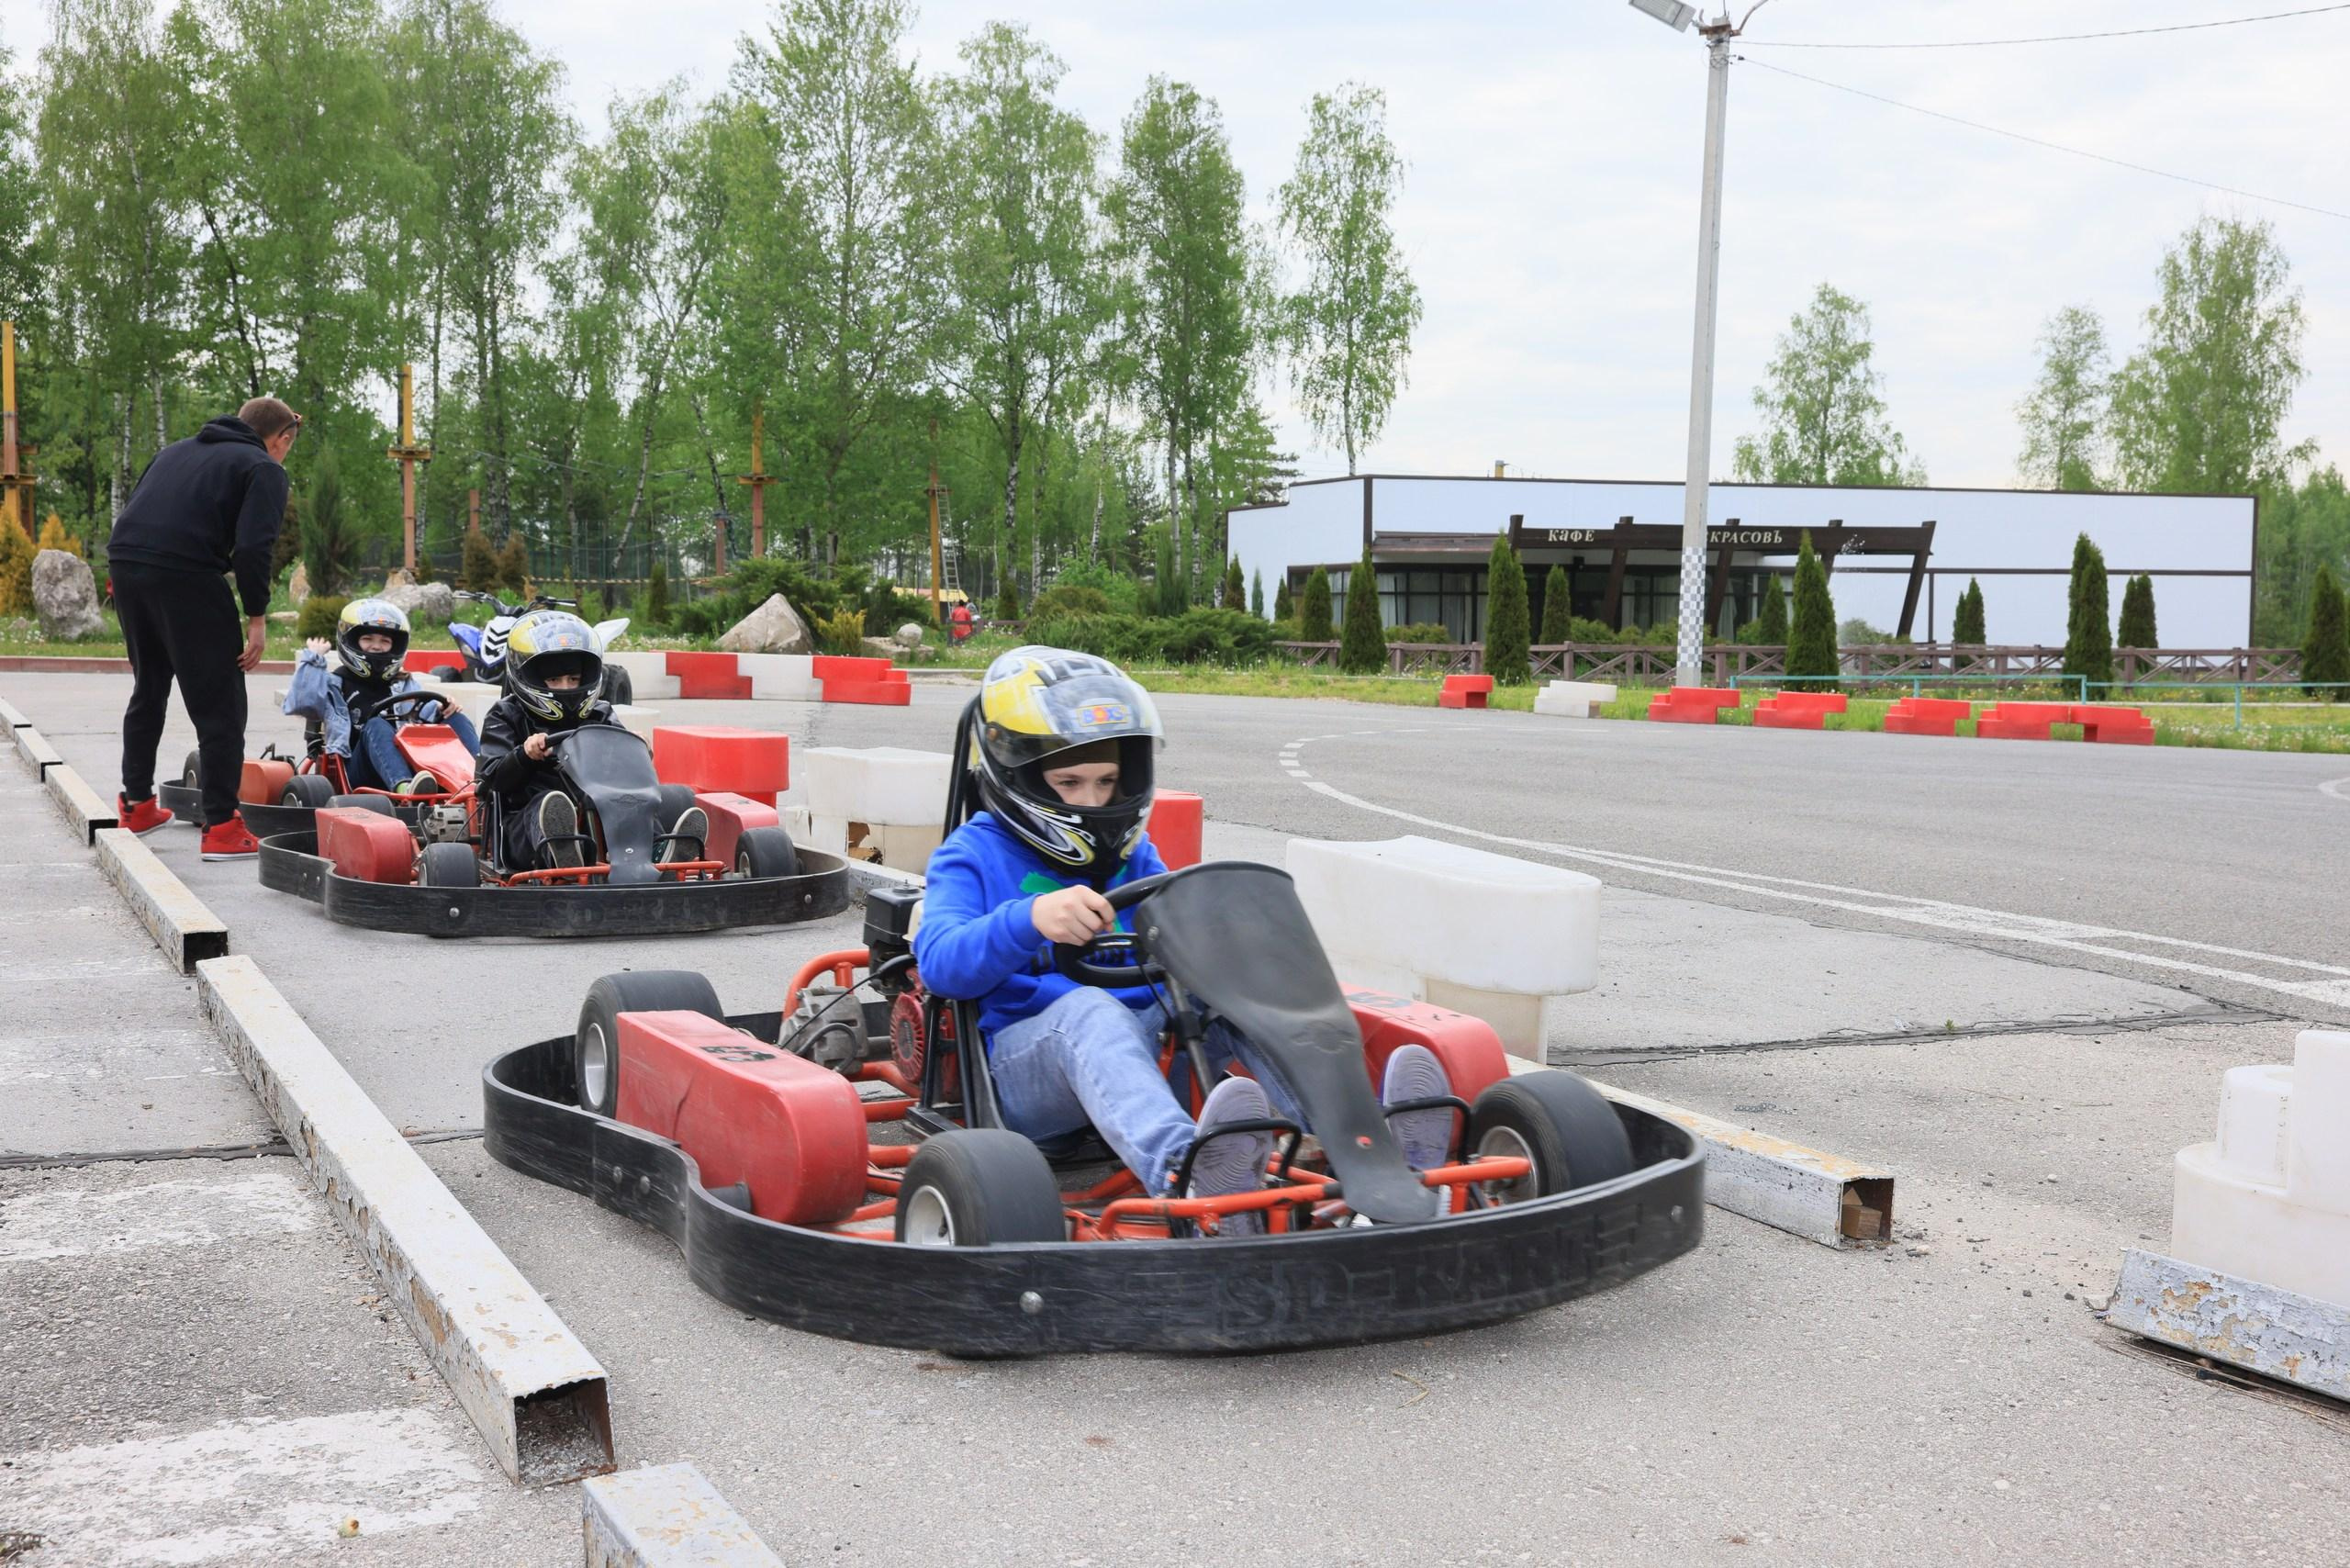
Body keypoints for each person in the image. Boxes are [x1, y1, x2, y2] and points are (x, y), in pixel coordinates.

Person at [911, 646, 1454, 1236]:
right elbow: (938, 962)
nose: (1091, 801)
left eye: (1107, 781)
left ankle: (1374, 1147)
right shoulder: (972, 853)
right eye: (1069, 782)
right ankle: (1186, 1175)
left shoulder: (1133, 856)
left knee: (1229, 987)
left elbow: (1181, 937)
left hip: (1138, 1060)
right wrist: (1029, 918)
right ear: (1017, 773)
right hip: (1024, 1077)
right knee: (1087, 1011)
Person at [106, 397, 299, 857]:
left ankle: (136, 805)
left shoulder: (174, 451)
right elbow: (254, 549)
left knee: (148, 687)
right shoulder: (263, 467)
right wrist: (257, 619)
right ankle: (223, 827)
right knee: (220, 704)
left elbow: (136, 511)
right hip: (186, 574)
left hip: (126, 566)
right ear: (282, 438)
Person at [475, 611, 702, 871]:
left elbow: (625, 769)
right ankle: (562, 848)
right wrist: (524, 756)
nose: (566, 687)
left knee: (632, 799)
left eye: (573, 679)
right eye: (554, 679)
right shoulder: (505, 715)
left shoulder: (599, 713)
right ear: (529, 676)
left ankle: (659, 850)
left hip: (599, 814)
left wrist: (635, 748)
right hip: (523, 827)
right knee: (549, 804)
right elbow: (489, 781)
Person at [281, 598, 480, 791]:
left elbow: (426, 714)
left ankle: (480, 781)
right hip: (357, 771)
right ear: (350, 641)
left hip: (415, 767)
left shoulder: (404, 683)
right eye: (367, 639)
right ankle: (405, 789)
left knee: (457, 719)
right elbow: (302, 702)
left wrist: (443, 709)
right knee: (376, 725)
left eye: (385, 641)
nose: (376, 646)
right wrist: (313, 661)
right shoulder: (335, 684)